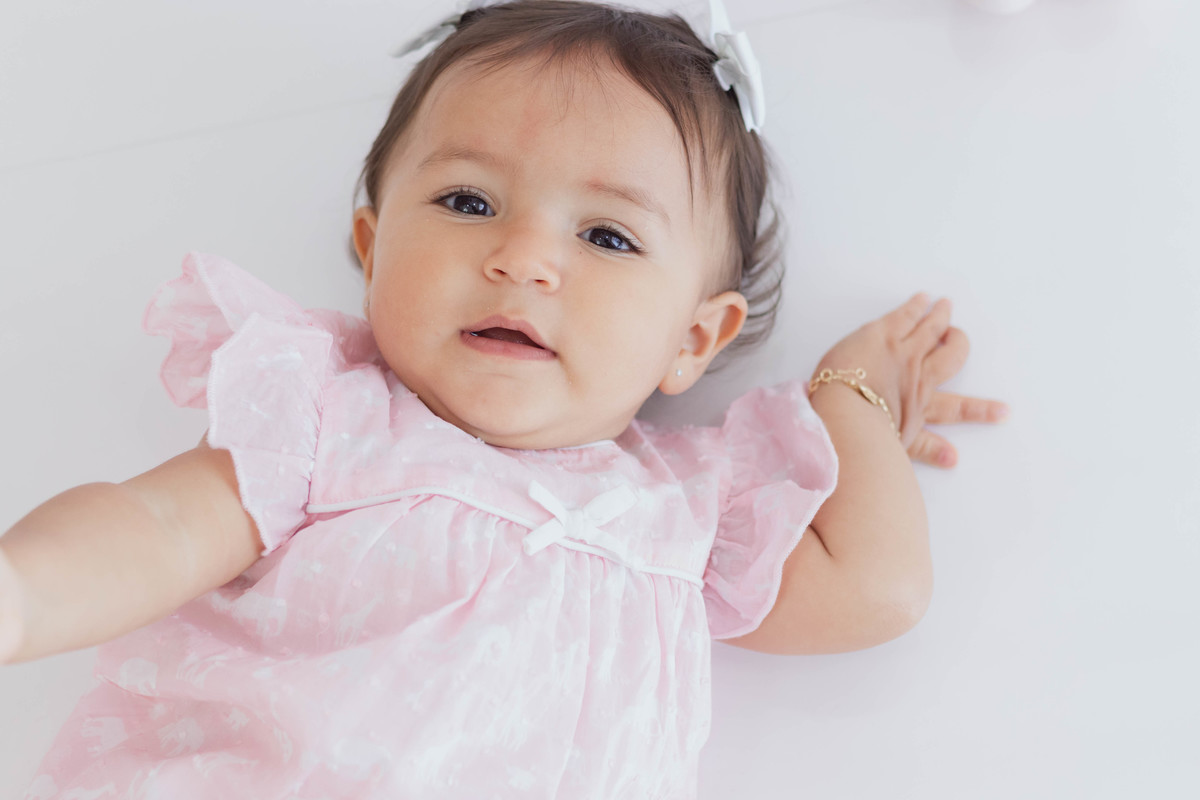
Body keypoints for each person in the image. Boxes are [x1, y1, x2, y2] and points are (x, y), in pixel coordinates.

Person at [1, 0, 1009, 796]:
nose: (522, 258)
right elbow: (160, 527)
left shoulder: (686, 515)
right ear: (373, 248)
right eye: (468, 201)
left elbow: (877, 589)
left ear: (693, 338)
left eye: (606, 236)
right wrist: (23, 592)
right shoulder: (327, 418)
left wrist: (852, 395)